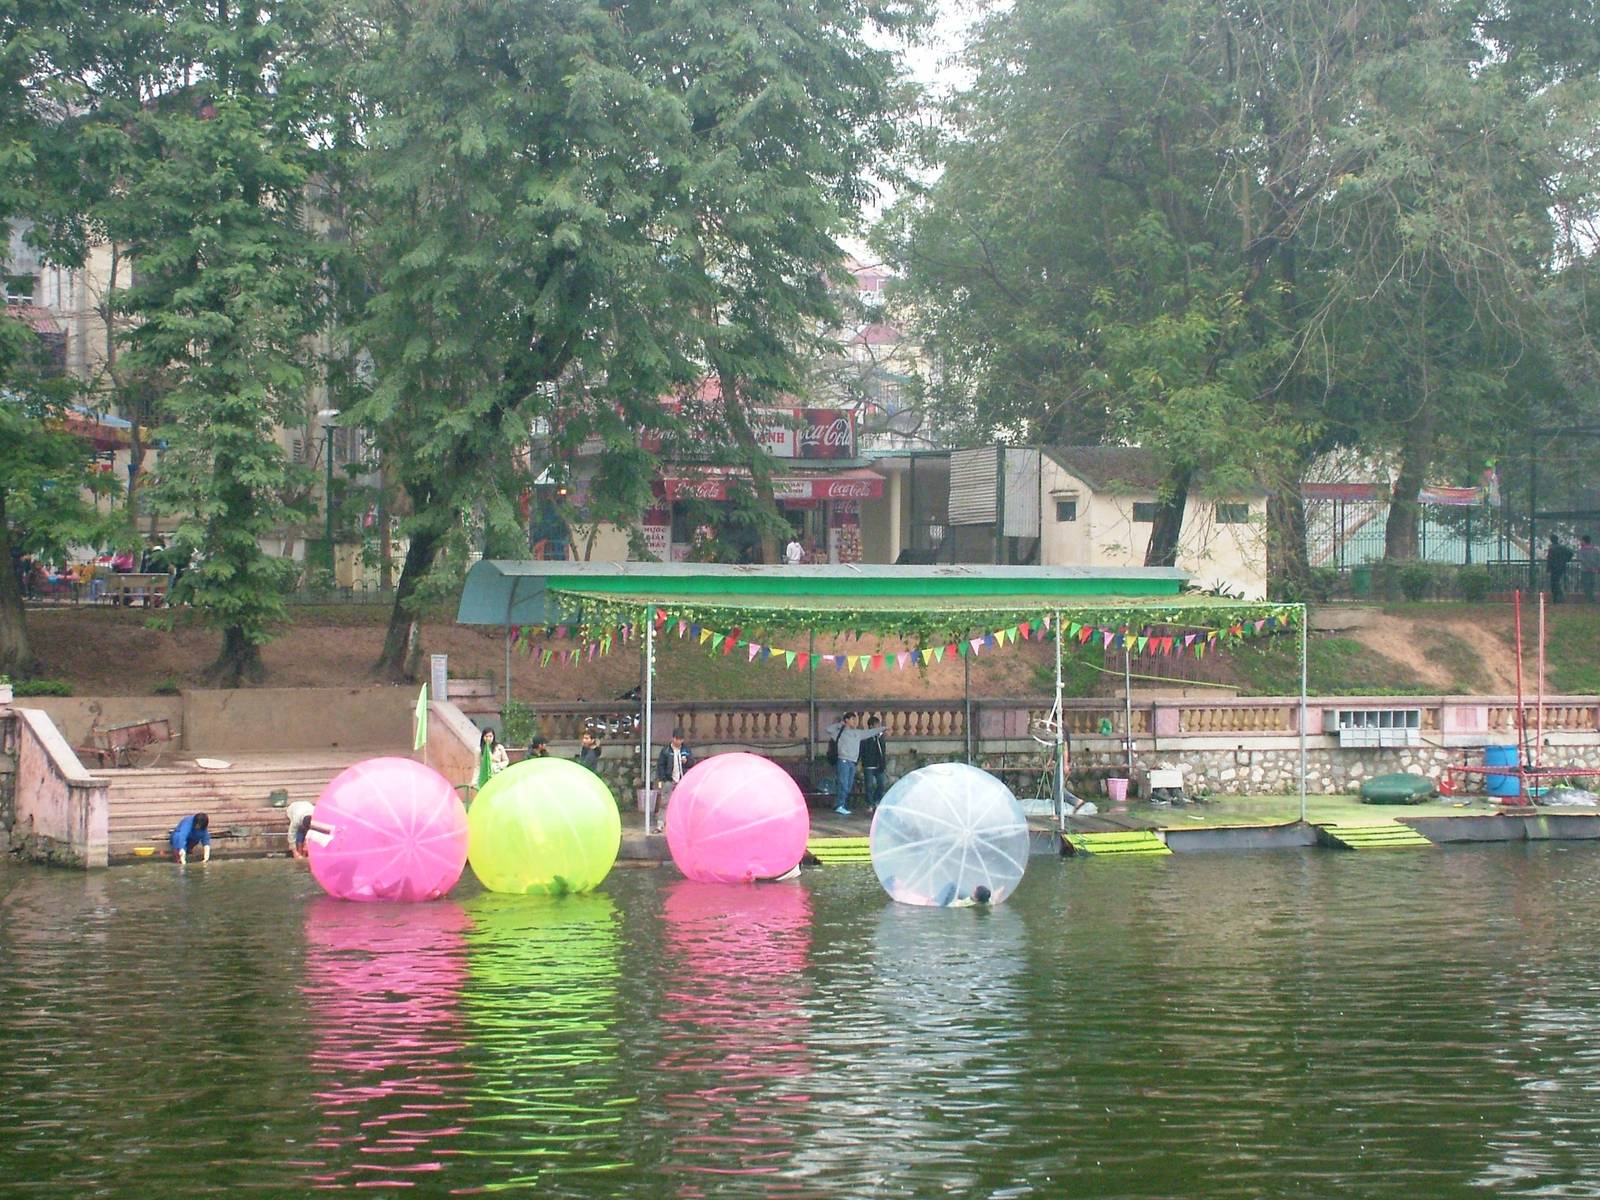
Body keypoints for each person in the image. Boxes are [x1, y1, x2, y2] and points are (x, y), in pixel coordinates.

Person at [824, 711, 886, 816]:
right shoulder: (840, 733)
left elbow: (870, 733)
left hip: (852, 762)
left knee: (848, 785)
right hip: (843, 760)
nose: (854, 721)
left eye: (855, 719)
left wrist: (882, 728)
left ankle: (841, 804)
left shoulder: (857, 733)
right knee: (843, 783)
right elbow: (828, 729)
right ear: (847, 720)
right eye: (852, 719)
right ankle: (840, 805)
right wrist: (841, 724)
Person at [655, 729, 693, 833]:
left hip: (682, 780)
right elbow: (660, 765)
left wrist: (687, 761)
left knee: (683, 803)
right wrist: (663, 779)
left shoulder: (686, 750)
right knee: (664, 802)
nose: (678, 742)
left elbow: (692, 763)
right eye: (677, 739)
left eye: (680, 740)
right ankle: (660, 824)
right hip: (669, 780)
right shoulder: (666, 751)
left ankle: (681, 825)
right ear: (673, 738)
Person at [859, 715, 888, 808]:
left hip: (879, 764)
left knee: (881, 784)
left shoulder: (880, 737)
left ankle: (877, 800)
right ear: (871, 726)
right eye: (876, 725)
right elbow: (863, 750)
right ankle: (870, 803)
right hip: (869, 765)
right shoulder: (866, 738)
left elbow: (882, 750)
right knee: (869, 786)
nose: (878, 726)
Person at [1548, 535, 1575, 603]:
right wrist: (1566, 560)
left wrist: (1548, 569)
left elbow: (1550, 559)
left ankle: (1557, 597)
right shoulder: (1562, 547)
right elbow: (1571, 553)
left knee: (1554, 583)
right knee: (1557, 582)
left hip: (1554, 568)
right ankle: (1559, 597)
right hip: (1561, 567)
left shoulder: (1552, 548)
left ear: (1551, 540)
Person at [1580, 535, 1600, 603]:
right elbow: (1598, 560)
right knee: (1592, 584)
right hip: (1594, 570)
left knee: (1586, 584)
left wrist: (1589, 567)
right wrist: (1597, 568)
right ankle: (1591, 599)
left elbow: (1583, 560)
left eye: (1581, 540)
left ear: (1584, 541)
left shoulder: (1582, 550)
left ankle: (1590, 599)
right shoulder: (1595, 550)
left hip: (1585, 570)